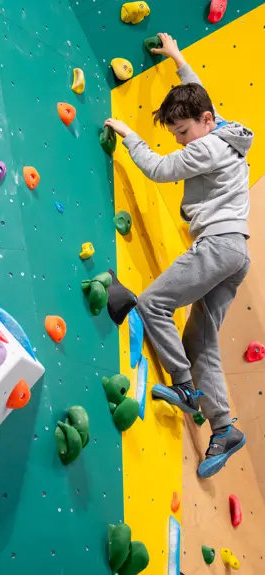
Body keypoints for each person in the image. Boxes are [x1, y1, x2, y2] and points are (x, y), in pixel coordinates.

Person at [104, 32, 253, 478]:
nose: (183, 141)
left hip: (218, 245)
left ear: (204, 122)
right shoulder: (225, 131)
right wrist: (177, 59)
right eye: (176, 134)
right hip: (237, 253)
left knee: (153, 303)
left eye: (183, 132)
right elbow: (199, 94)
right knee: (201, 340)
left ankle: (186, 389)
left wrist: (130, 135)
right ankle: (224, 429)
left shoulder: (205, 146)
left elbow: (159, 168)